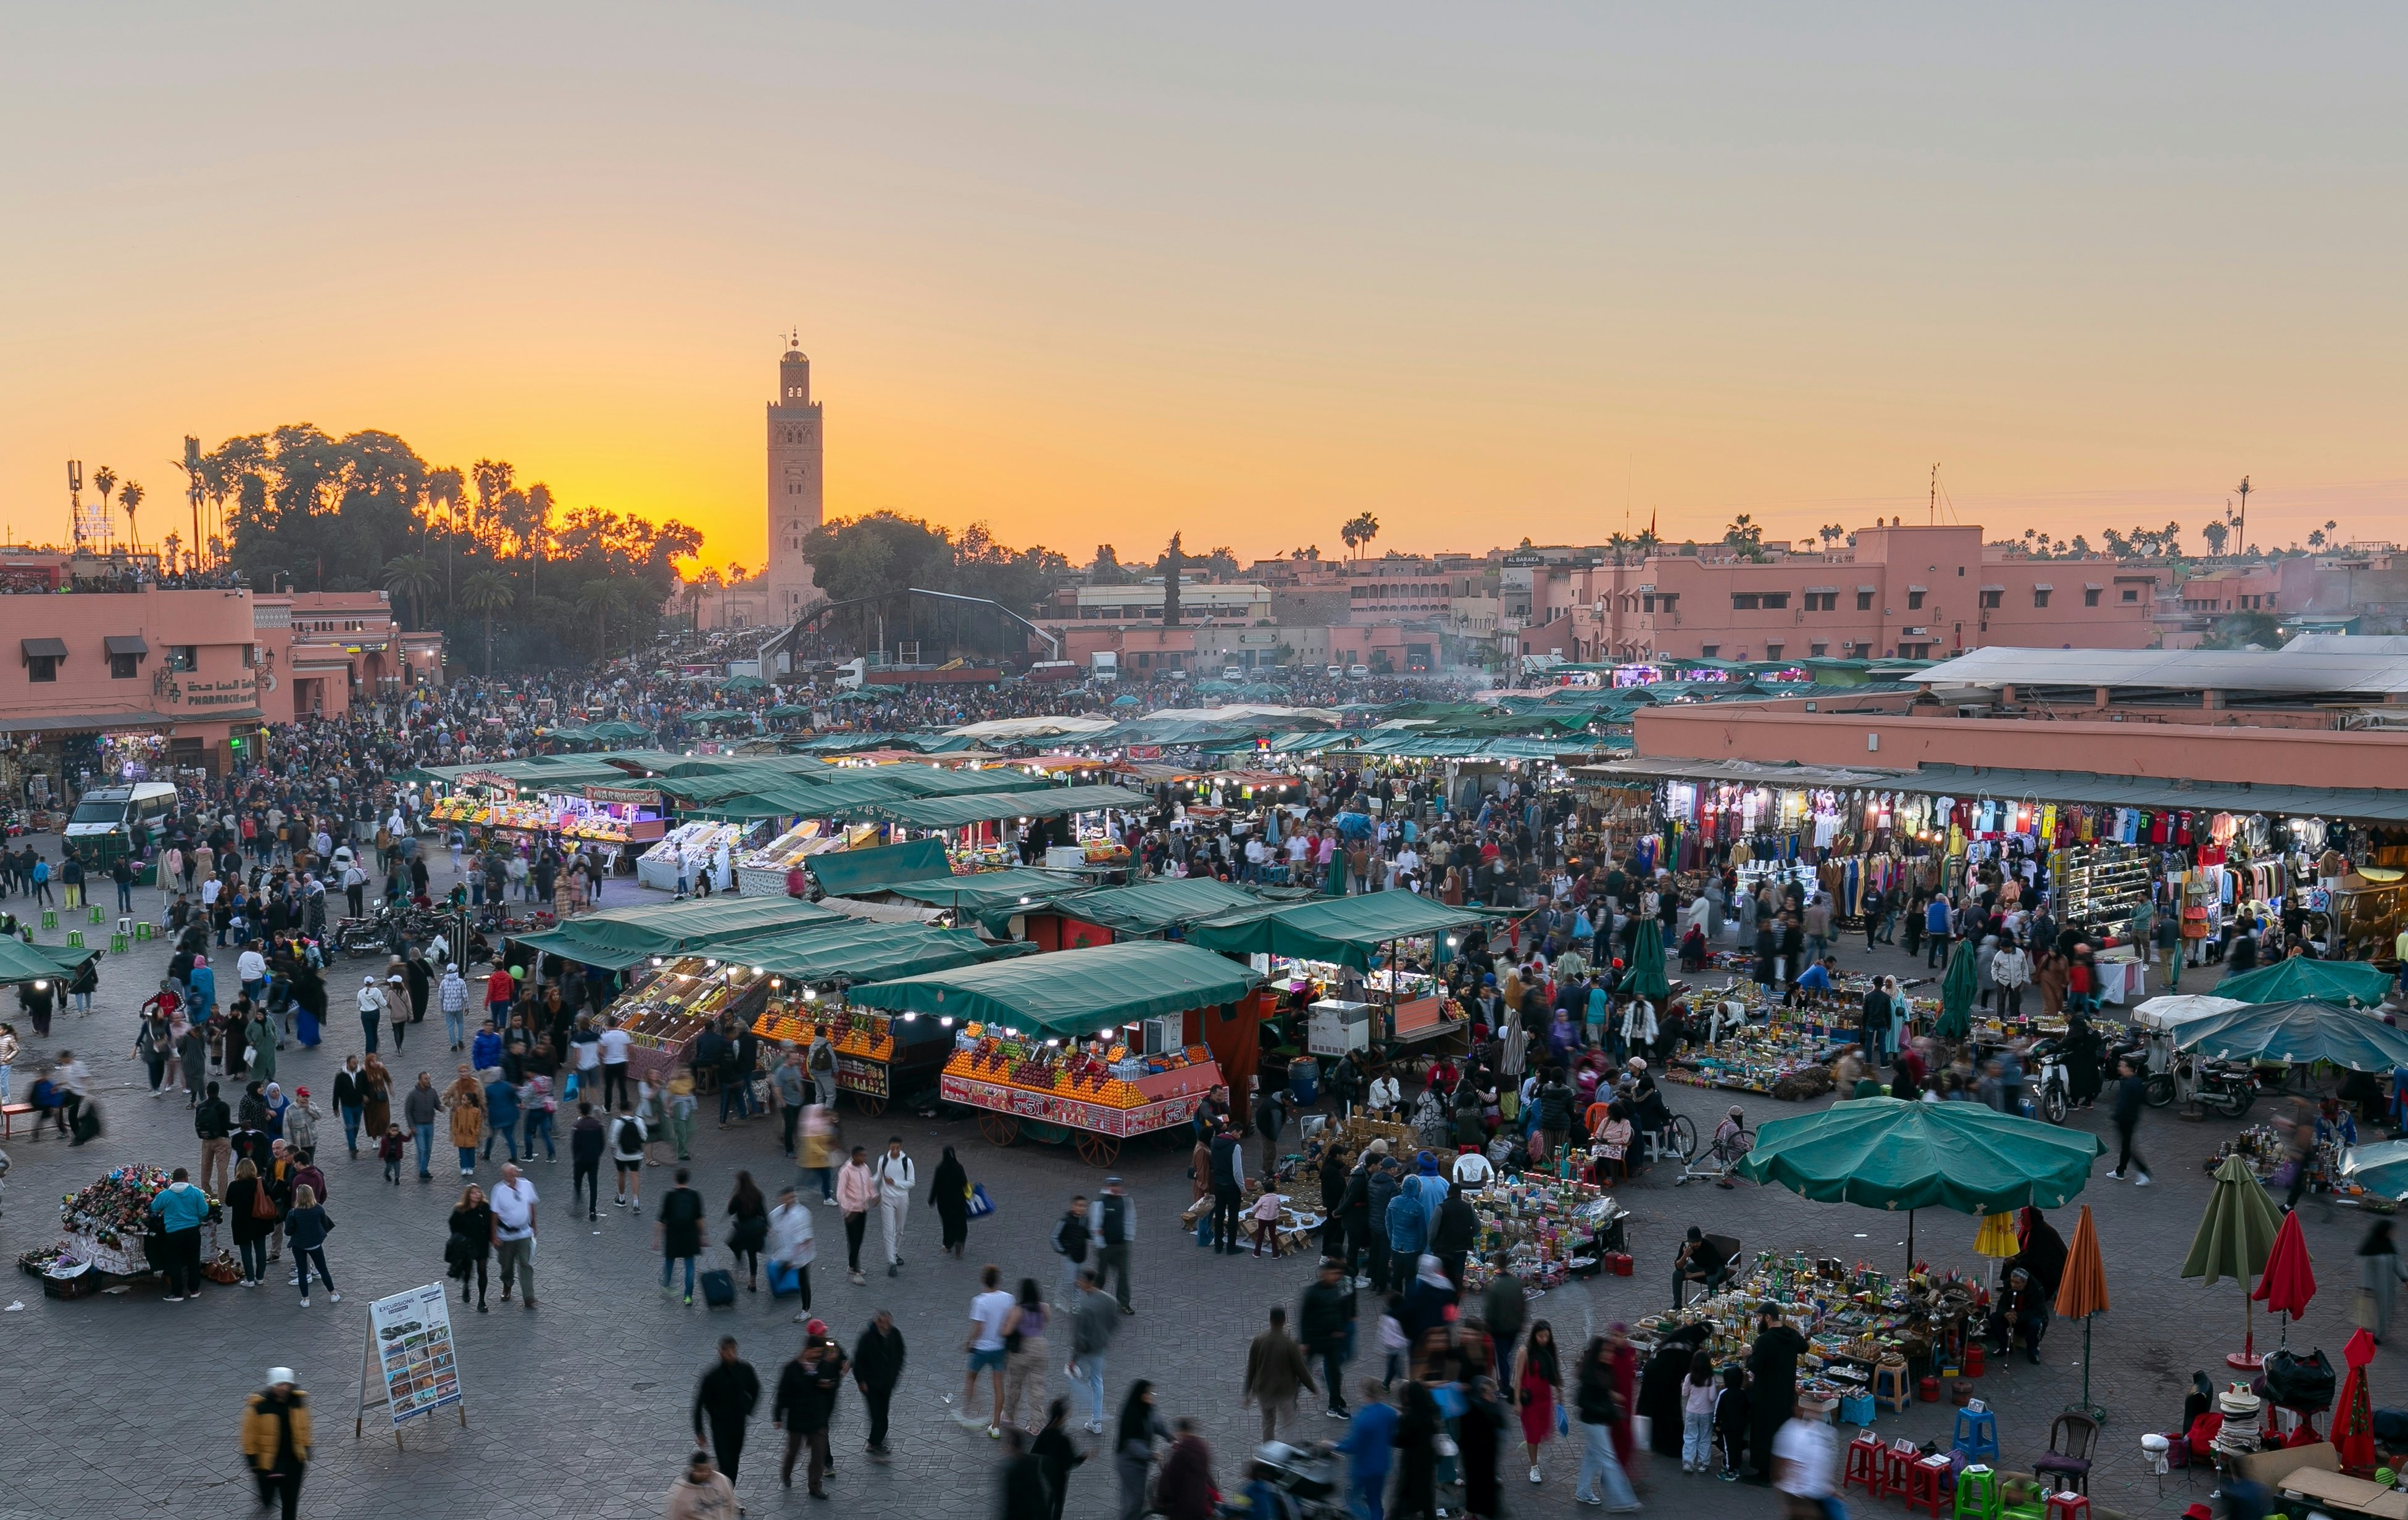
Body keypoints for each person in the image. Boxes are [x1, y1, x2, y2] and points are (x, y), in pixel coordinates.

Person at [1572, 1334, 1641, 1511]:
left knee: (1592, 1457)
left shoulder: (1603, 1370)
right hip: (1594, 1421)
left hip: (1599, 1421)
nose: (1609, 1354)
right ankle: (1622, 1501)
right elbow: (1582, 1400)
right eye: (1605, 1351)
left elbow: (1603, 1392)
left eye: (1610, 1351)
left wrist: (1611, 1397)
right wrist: (1604, 1408)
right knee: (1609, 1459)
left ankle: (1583, 1491)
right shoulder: (1592, 1372)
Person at [773, 1331, 846, 1498]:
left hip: (818, 1419)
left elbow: (834, 1385)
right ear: (807, 1350)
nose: (818, 1356)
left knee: (819, 1454)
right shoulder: (792, 1369)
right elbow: (782, 1393)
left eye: (820, 1353)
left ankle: (815, 1487)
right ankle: (787, 1473)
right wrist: (778, 1416)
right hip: (797, 1419)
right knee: (793, 1451)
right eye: (815, 1352)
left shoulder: (823, 1366)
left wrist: (829, 1385)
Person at [1745, 1305, 1807, 1484]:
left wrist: (1748, 1356)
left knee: (1764, 1433)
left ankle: (1764, 1473)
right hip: (1786, 1393)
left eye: (1758, 1318)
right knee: (1781, 1432)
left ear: (1767, 1318)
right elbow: (1804, 1347)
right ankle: (1780, 1470)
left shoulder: (1764, 1340)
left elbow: (1756, 1366)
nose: (1757, 1321)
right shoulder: (1792, 1334)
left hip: (1766, 1394)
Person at [693, 1337, 762, 1492]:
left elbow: (756, 1388)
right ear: (721, 1353)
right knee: (726, 1461)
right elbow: (700, 1403)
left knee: (734, 1460)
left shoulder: (745, 1369)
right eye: (727, 1351)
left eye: (733, 1351)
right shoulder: (712, 1376)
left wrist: (748, 1409)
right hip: (720, 1426)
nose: (731, 1354)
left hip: (738, 1424)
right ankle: (727, 1493)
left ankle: (727, 1491)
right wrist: (699, 1430)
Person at [241, 1368, 312, 1520]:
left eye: (286, 1384)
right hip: (269, 1463)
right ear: (272, 1385)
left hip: (294, 1461)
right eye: (280, 1384)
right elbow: (249, 1436)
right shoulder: (259, 1407)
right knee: (268, 1499)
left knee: (290, 1501)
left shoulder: (297, 1403)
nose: (284, 1388)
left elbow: (305, 1426)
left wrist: (306, 1448)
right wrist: (253, 1461)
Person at [1242, 1303, 1318, 1442]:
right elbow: (1301, 1370)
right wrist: (1313, 1388)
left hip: (1264, 1391)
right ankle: (1286, 1453)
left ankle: (1268, 1455)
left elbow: (1251, 1368)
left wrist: (1247, 1392)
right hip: (1285, 1392)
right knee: (1289, 1424)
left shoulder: (1258, 1341)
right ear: (1284, 1321)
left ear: (1270, 1320)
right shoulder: (1290, 1344)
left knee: (1268, 1423)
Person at [956, 1263, 1015, 1439]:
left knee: (971, 1378)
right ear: (998, 1281)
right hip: (1000, 1348)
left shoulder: (979, 1301)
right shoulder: (1008, 1298)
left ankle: (971, 1408)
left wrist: (969, 1343)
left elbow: (979, 1327)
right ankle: (995, 1425)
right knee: (999, 1387)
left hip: (981, 1349)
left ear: (983, 1281)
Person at [1299, 1256, 1356, 1419]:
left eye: (1339, 1274)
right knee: (1304, 1371)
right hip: (1314, 1340)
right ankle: (1292, 1397)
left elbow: (1341, 1310)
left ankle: (1334, 1405)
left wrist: (1339, 1329)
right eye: (1335, 1273)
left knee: (1335, 1374)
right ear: (1325, 1274)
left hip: (1331, 1340)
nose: (1338, 1277)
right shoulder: (1312, 1292)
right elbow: (1304, 1317)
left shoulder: (1337, 1290)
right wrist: (1304, 1342)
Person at [148, 1166, 210, 1302]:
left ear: (172, 1180)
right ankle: (194, 1289)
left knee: (174, 1262)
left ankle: (177, 1293)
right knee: (193, 1260)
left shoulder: (165, 1195)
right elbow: (204, 1211)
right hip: (193, 1231)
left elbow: (154, 1208)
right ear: (187, 1178)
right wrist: (197, 1220)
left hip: (173, 1233)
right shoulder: (196, 1193)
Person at [1339, 1378, 1399, 1520]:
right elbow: (1391, 1436)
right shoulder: (1389, 1413)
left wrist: (1333, 1445)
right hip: (1382, 1466)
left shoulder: (1362, 1418)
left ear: (1365, 1394)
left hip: (1363, 1468)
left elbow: (1353, 1446)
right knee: (1375, 1501)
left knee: (1352, 1498)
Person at [1069, 1268, 1119, 1434]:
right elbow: (1114, 1323)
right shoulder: (1110, 1301)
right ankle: (1096, 1421)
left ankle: (1085, 1409)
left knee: (1074, 1377)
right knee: (1097, 1381)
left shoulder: (1086, 1308)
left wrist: (1074, 1359)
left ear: (1089, 1283)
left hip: (1086, 1350)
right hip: (1100, 1348)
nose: (1078, 1283)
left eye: (1081, 1280)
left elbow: (1080, 1338)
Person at [1772, 1394, 1838, 1519]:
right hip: (1800, 1495)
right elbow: (1780, 1466)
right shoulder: (1790, 1431)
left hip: (1818, 1494)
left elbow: (1823, 1464)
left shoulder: (1826, 1432)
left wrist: (1830, 1488)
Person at [1514, 1318, 1562, 1485]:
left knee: (1540, 1431)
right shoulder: (1525, 1352)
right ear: (1534, 1335)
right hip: (1530, 1401)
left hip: (1544, 1399)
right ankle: (1534, 1467)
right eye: (1541, 1336)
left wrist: (1559, 1390)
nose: (1544, 1339)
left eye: (1546, 1336)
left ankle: (1534, 1458)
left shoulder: (1549, 1351)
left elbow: (1553, 1374)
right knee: (1533, 1433)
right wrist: (1517, 1401)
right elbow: (1518, 1378)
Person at [854, 1308, 906, 1460]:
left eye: (888, 1323)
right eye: (883, 1323)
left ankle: (875, 1441)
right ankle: (876, 1443)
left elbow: (901, 1352)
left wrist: (895, 1371)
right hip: (871, 1385)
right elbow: (859, 1361)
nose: (886, 1326)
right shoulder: (867, 1338)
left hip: (887, 1383)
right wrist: (861, 1381)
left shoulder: (894, 1334)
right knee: (877, 1415)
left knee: (883, 1413)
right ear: (877, 1322)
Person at [1002, 1276, 1052, 1434]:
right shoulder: (1044, 1307)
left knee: (1014, 1384)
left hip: (1022, 1349)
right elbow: (1046, 1320)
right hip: (1040, 1347)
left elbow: (1007, 1331)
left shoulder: (1018, 1310)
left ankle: (1009, 1415)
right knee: (1037, 1387)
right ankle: (1036, 1425)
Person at [491, 1160, 538, 1308]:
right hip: (506, 1235)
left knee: (526, 1264)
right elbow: (494, 1214)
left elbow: (531, 1205)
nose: (513, 1177)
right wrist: (493, 1236)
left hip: (524, 1233)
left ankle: (529, 1297)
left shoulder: (526, 1185)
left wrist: (534, 1225)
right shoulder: (498, 1190)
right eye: (509, 1175)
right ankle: (507, 1285)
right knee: (506, 1265)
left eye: (514, 1173)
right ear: (503, 1175)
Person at [659, 1166, 708, 1305]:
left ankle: (667, 1284)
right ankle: (688, 1296)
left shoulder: (669, 1195)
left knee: (669, 1260)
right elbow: (699, 1219)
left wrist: (657, 1238)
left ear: (675, 1179)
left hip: (673, 1235)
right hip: (690, 1235)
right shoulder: (695, 1195)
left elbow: (662, 1219)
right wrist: (703, 1236)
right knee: (690, 1265)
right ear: (688, 1179)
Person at [1031, 1398, 1086, 1520]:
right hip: (1059, 1476)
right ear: (1061, 1418)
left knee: (1050, 1497)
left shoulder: (1044, 1434)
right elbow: (1070, 1461)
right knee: (1058, 1502)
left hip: (1046, 1473)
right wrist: (1084, 1457)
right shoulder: (1063, 1439)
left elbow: (1034, 1453)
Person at [284, 1182, 338, 1306]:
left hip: (298, 1245)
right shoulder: (318, 1209)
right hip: (315, 1244)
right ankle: (333, 1294)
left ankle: (306, 1299)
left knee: (302, 1272)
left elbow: (287, 1232)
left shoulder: (293, 1213)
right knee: (323, 1269)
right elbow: (324, 1223)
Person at [767, 1185, 816, 1318]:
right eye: (785, 1198)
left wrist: (793, 1261)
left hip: (801, 1256)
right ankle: (786, 1290)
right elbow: (773, 1225)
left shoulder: (801, 1214)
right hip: (787, 1253)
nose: (788, 1200)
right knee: (789, 1275)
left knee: (804, 1281)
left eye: (791, 1197)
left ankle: (806, 1310)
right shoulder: (778, 1212)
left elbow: (804, 1239)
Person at [1090, 1176, 1136, 1313]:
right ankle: (1095, 1302)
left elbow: (1130, 1220)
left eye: (1118, 1186)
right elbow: (1095, 1225)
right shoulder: (1099, 1204)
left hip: (1121, 1246)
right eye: (1113, 1186)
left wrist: (1128, 1238)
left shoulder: (1126, 1201)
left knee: (1123, 1274)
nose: (1116, 1189)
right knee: (1101, 1275)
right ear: (1108, 1187)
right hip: (1106, 1247)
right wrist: (1101, 1244)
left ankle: (1124, 1303)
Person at [448, 1182, 494, 1311]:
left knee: (482, 1271)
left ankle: (482, 1301)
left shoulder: (485, 1207)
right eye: (474, 1193)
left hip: (482, 1243)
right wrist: (458, 1239)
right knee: (468, 1270)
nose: (477, 1195)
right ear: (468, 1195)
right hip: (467, 1244)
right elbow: (453, 1225)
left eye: (479, 1192)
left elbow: (491, 1223)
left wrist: (493, 1238)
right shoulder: (460, 1209)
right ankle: (466, 1285)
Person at [1157, 1416, 1216, 1520]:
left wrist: (1162, 1499)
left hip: (1183, 1506)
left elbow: (1169, 1478)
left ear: (1182, 1431)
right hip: (1200, 1502)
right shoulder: (1201, 1447)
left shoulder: (1180, 1454)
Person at [873, 1134, 915, 1279]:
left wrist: (896, 1183)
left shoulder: (907, 1162)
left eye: (897, 1148)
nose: (895, 1150)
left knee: (899, 1229)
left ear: (901, 1147)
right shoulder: (883, 1160)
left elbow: (911, 1182)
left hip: (902, 1198)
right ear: (889, 1147)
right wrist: (865, 1185)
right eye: (893, 1148)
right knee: (888, 1230)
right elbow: (878, 1177)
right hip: (887, 1199)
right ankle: (892, 1261)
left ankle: (895, 1252)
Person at [2107, 1057, 2152, 1187]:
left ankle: (2144, 1172)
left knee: (2127, 1148)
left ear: (2129, 1069)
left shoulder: (2133, 1084)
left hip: (2126, 1120)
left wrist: (2118, 1114)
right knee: (2125, 1147)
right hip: (2126, 1119)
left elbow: (2127, 1103)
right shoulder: (2131, 1082)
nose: (2119, 1068)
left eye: (2122, 1066)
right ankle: (2120, 1171)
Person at [836, 1144, 876, 1285]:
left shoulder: (865, 1168)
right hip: (851, 1212)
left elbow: (870, 1185)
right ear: (854, 1157)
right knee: (853, 1240)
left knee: (859, 1239)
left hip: (863, 1209)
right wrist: (848, 1209)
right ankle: (856, 1272)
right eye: (862, 1155)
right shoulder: (845, 1171)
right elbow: (841, 1194)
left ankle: (852, 1265)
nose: (864, 1158)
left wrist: (874, 1195)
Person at [725, 1169, 770, 1292]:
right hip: (756, 1228)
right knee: (752, 1254)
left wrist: (731, 1199)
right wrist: (767, 1225)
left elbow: (731, 1211)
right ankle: (753, 1281)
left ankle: (740, 1268)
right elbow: (763, 1211)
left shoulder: (738, 1196)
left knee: (734, 1244)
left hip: (743, 1228)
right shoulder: (757, 1193)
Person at [665, 1450, 739, 1520]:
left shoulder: (721, 1480)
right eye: (700, 1471)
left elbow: (730, 1504)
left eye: (707, 1469)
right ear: (693, 1470)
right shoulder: (682, 1496)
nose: (704, 1474)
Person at [998, 1426, 1053, 1520]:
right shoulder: (1034, 1461)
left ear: (1011, 1446)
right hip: (1037, 1512)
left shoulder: (1011, 1470)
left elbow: (1010, 1503)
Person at [933, 1143, 973, 1260]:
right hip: (959, 1201)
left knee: (947, 1224)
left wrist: (931, 1199)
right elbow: (964, 1182)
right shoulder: (959, 1167)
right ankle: (960, 1241)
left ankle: (948, 1245)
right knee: (960, 1223)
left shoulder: (940, 1168)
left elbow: (936, 1185)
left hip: (944, 1203)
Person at [611, 1101, 648, 1213]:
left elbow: (613, 1140)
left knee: (621, 1174)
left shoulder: (617, 1122)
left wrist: (614, 1150)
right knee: (635, 1176)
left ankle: (621, 1199)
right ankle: (636, 1203)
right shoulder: (639, 1121)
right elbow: (644, 1137)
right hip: (636, 1154)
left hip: (621, 1154)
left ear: (621, 1110)